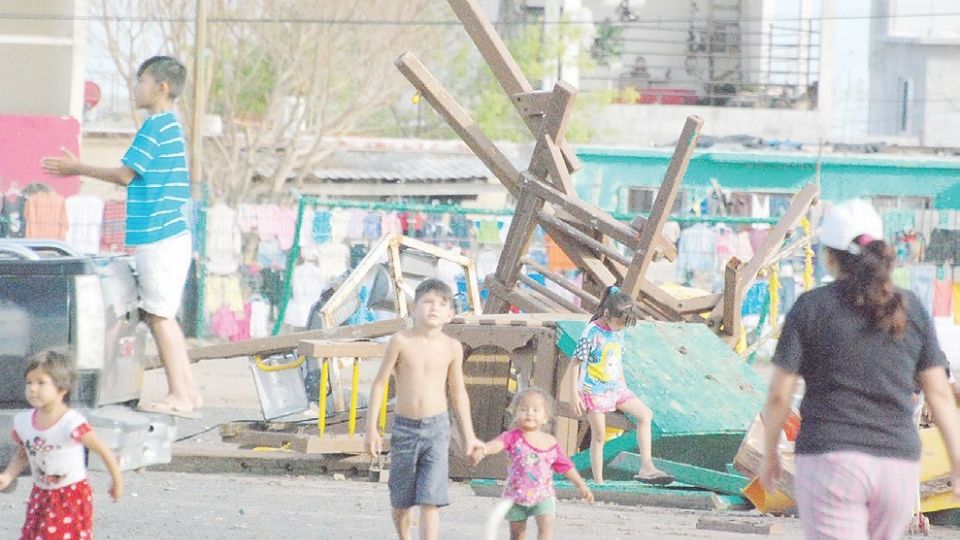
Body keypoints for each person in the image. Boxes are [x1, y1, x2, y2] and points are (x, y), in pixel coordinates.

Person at [759, 199, 960, 539]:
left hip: (831, 458)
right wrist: (957, 460)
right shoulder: (911, 309)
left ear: (829, 256)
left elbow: (780, 396)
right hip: (897, 464)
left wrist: (768, 456)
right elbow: (939, 393)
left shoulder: (811, 307)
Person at [41, 56, 201, 418]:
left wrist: (76, 168)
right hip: (167, 236)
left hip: (159, 238)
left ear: (162, 87)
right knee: (161, 315)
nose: (136, 88)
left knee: (159, 317)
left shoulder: (156, 127)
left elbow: (126, 176)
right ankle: (189, 393)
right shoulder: (170, 127)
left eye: (142, 81)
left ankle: (179, 393)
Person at [364, 278, 484, 540]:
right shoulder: (401, 341)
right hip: (405, 428)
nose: (434, 308)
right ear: (413, 307)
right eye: (427, 302)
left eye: (442, 304)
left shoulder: (452, 347)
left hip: (437, 429)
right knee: (401, 503)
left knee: (431, 499)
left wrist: (469, 436)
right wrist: (371, 429)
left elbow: (458, 392)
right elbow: (380, 383)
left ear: (450, 314)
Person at [0, 350, 123, 540]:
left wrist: (117, 482)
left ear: (62, 389)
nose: (33, 388)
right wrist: (8, 475)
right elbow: (23, 452)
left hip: (70, 495)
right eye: (29, 382)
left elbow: (103, 450)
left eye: (41, 383)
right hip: (41, 494)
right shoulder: (24, 421)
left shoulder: (71, 423)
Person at [564, 286, 674, 485]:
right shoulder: (592, 333)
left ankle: (646, 467)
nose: (621, 328)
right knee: (599, 435)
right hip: (594, 391)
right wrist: (574, 394)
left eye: (624, 325)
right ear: (607, 314)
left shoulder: (618, 331)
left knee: (645, 415)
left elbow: (616, 358)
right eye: (619, 324)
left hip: (615, 388)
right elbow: (575, 364)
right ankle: (599, 481)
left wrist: (622, 384)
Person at [471, 387, 594, 540]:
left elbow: (566, 466)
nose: (529, 413)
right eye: (523, 409)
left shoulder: (550, 442)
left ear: (545, 417)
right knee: (517, 534)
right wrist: (483, 449)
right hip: (515, 496)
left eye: (536, 410)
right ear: (516, 415)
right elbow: (496, 445)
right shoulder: (512, 437)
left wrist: (580, 484)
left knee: (546, 528)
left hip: (543, 496)